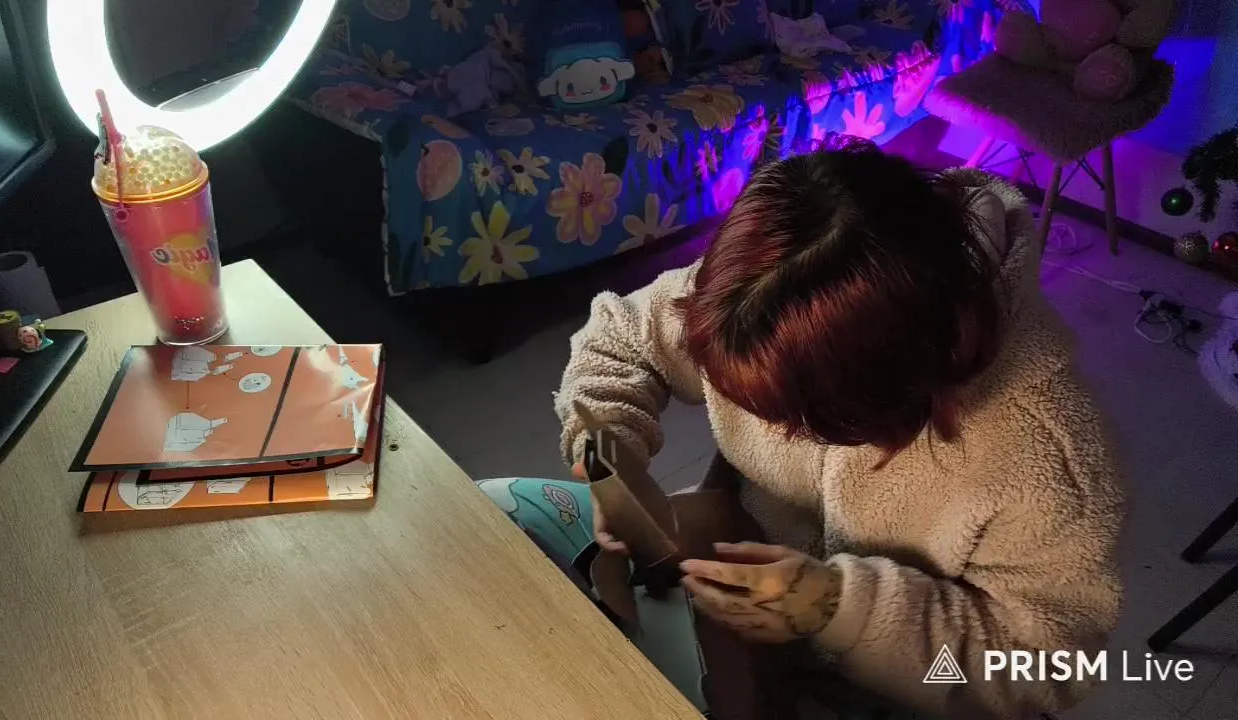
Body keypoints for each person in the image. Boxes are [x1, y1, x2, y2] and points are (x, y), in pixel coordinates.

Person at [477, 140, 1125, 719]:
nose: (772, 432)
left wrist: (841, 610)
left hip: (917, 682)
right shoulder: (768, 289)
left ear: (884, 394)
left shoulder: (1047, 453)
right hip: (745, 564)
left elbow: (1045, 669)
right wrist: (608, 447)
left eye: (792, 418)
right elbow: (623, 337)